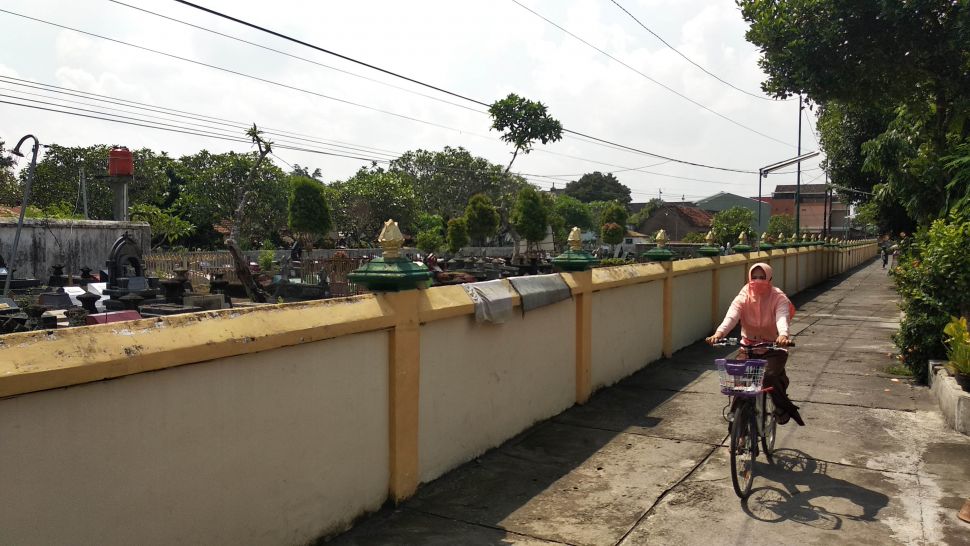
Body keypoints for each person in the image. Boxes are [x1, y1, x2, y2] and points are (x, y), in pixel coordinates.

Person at [706, 263, 804, 426]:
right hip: (748, 346)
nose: (758, 281)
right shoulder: (743, 295)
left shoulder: (778, 297)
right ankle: (737, 426)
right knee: (739, 381)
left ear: (769, 278)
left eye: (762, 277)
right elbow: (732, 316)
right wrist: (719, 333)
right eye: (754, 277)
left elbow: (782, 317)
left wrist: (783, 335)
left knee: (768, 377)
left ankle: (781, 407)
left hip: (773, 347)